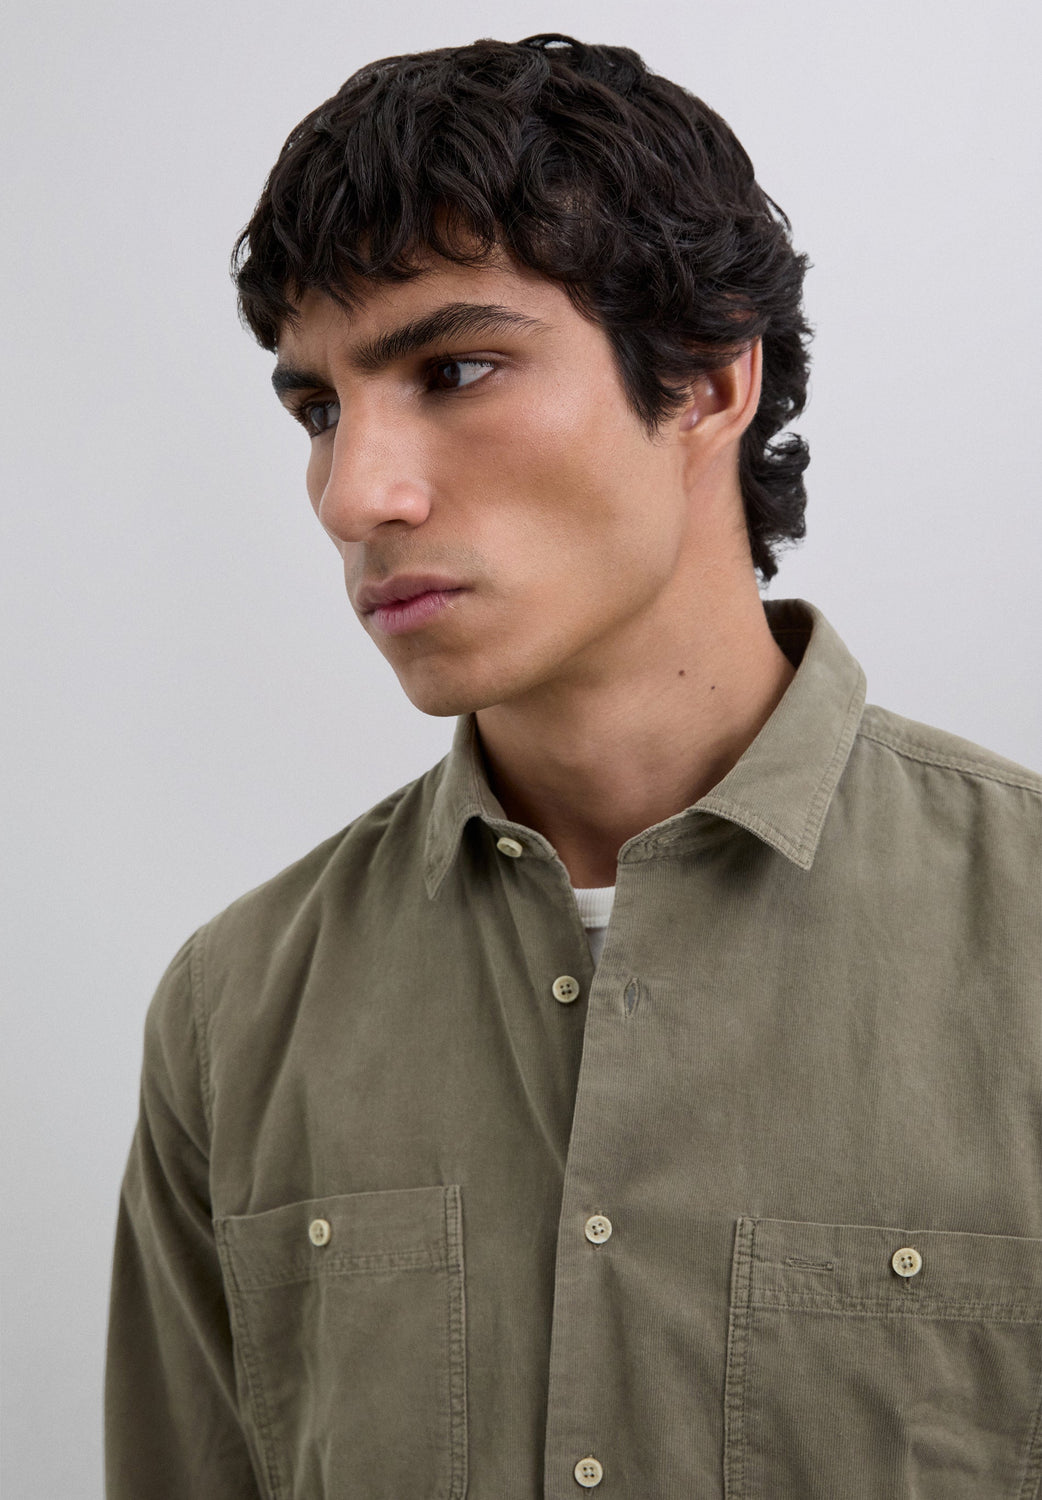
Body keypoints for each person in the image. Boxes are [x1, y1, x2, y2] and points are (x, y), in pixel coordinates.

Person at [105, 33, 1042, 1500]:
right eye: (319, 409)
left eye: (455, 368)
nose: (354, 494)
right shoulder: (235, 1013)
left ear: (708, 381)